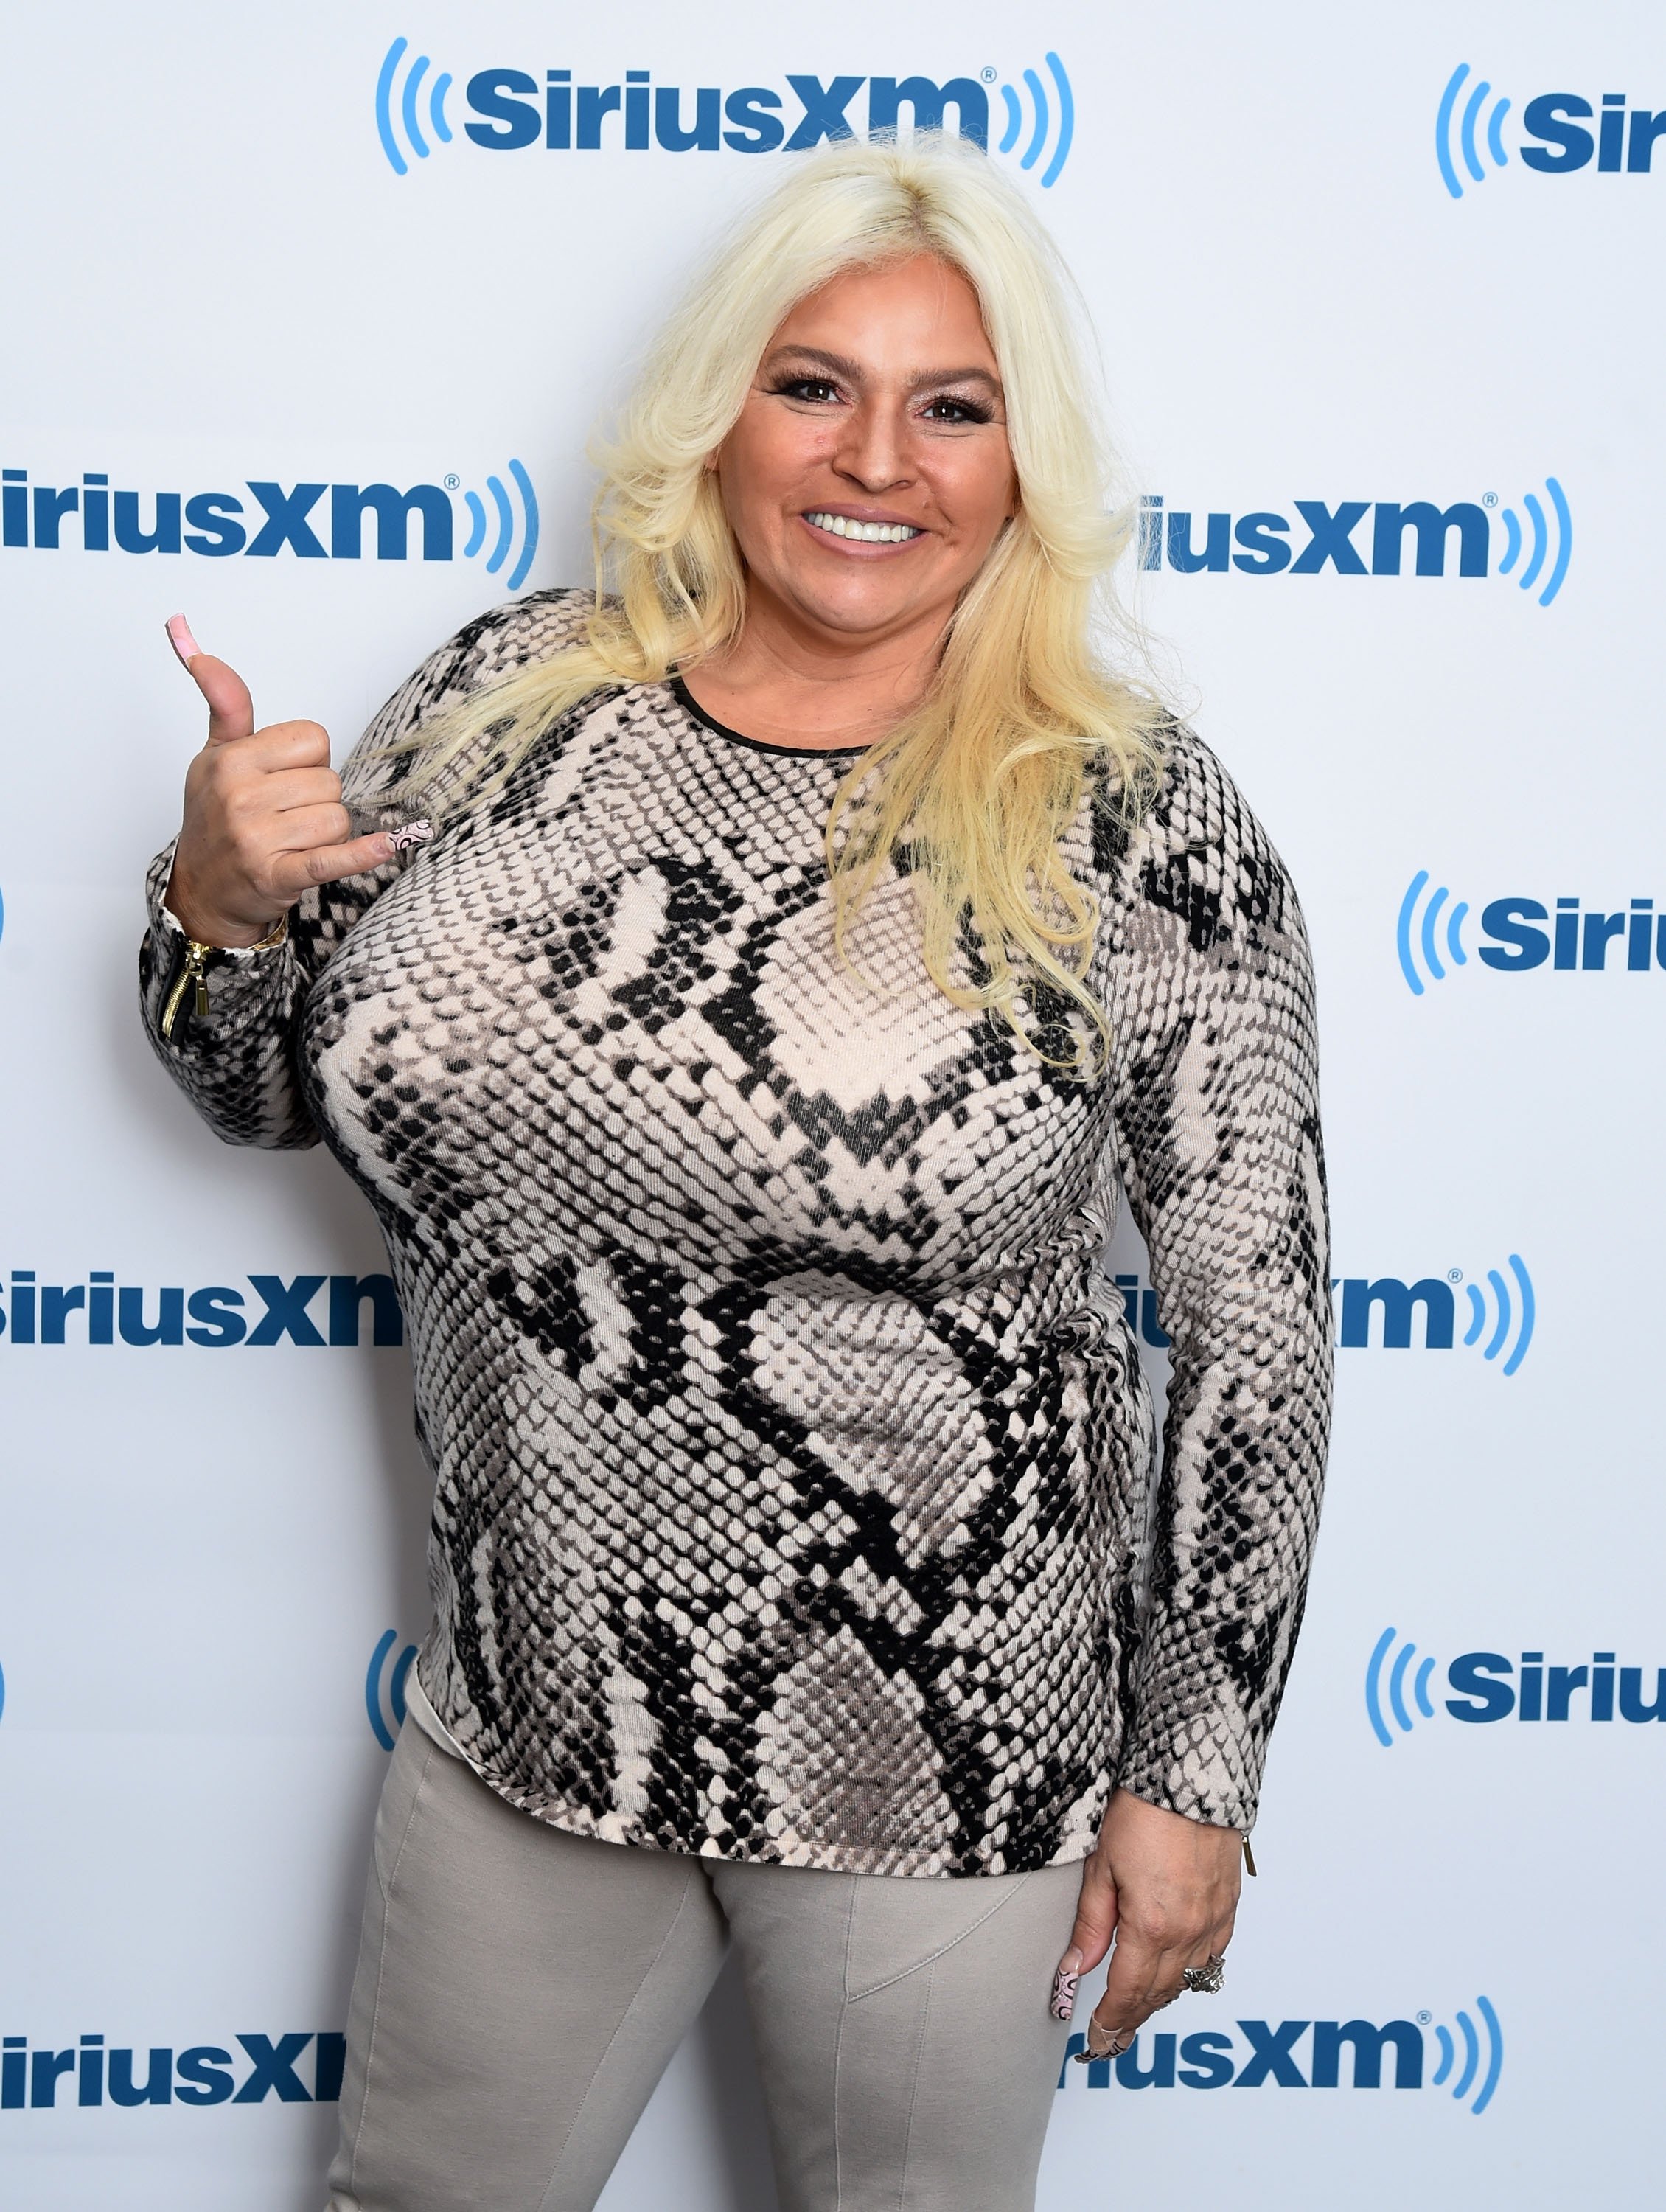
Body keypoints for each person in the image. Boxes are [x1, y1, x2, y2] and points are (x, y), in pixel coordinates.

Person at [139, 137, 1331, 2212]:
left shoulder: (1129, 816)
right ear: (720, 413)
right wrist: (219, 912)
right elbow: (261, 1098)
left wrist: (1196, 1777)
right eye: (811, 383)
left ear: (1023, 461)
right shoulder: (508, 704)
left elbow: (1259, 1325)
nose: (876, 455)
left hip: (941, 1767)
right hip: (524, 1718)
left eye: (952, 404)